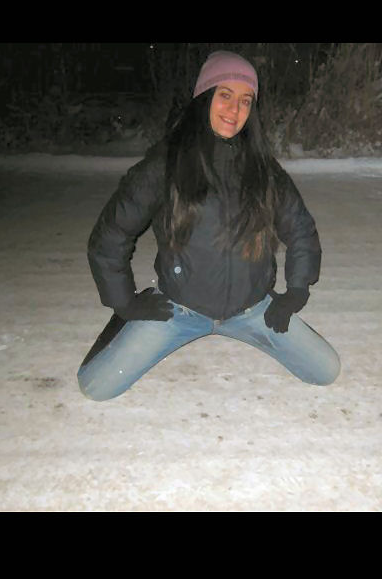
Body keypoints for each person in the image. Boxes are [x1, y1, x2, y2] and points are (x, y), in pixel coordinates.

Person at [78, 50, 340, 401]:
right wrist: (124, 303)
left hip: (251, 309)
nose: (234, 110)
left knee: (325, 369)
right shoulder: (166, 163)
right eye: (225, 96)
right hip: (180, 309)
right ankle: (125, 325)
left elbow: (301, 230)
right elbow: (111, 235)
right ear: (204, 98)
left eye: (245, 101)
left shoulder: (263, 169)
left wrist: (296, 291)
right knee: (96, 386)